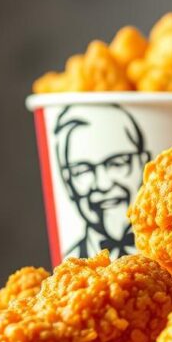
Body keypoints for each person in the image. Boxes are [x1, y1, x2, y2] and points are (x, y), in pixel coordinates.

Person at [53, 104, 150, 258]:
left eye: (117, 163)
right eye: (82, 170)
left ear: (144, 165)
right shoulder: (65, 267)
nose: (103, 184)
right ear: (67, 183)